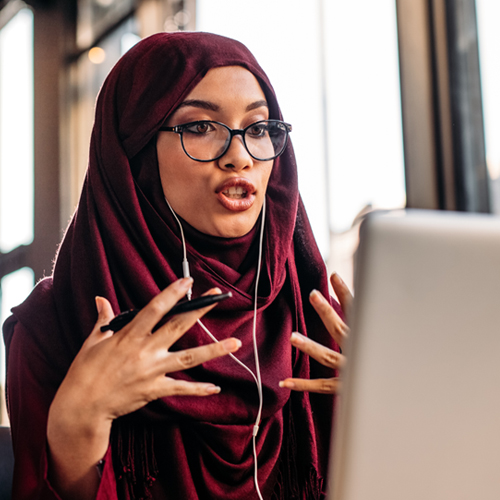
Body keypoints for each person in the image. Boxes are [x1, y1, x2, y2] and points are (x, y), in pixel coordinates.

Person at [3, 32, 351, 500]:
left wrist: (390, 413)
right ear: (135, 153)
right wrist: (77, 427)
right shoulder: (56, 326)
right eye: (200, 127)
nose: (240, 156)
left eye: (259, 128)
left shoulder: (317, 321)